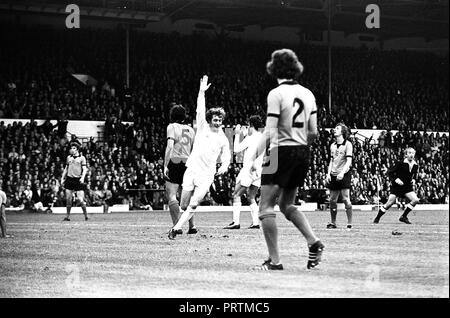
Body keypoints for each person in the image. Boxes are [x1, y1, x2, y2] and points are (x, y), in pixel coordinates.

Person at [247, 48, 324, 270]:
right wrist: (299, 146)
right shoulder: (309, 94)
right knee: (286, 204)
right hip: (302, 152)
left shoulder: (276, 94)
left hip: (280, 152)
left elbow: (270, 131)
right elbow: (314, 133)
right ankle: (314, 241)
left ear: (274, 68)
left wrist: (252, 157)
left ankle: (275, 261)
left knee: (265, 207)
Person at [168, 75, 231, 239]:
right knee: (184, 204)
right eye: (215, 119)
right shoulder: (203, 128)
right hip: (192, 170)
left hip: (207, 175)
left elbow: (227, 155)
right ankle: (183, 223)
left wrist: (224, 166)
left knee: (194, 203)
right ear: (210, 120)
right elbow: (200, 109)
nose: (217, 122)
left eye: (220, 120)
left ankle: (176, 229)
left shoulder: (223, 138)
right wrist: (202, 92)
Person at [224, 115, 264, 230]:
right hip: (259, 171)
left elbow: (236, 149)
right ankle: (255, 223)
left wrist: (237, 134)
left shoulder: (250, 138)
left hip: (248, 169)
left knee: (236, 195)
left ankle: (236, 222)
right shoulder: (261, 137)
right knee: (251, 197)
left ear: (251, 125)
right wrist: (246, 134)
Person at [164, 103, 196, 235]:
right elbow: (194, 150)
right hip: (188, 162)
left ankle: (177, 226)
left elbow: (170, 146)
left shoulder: (171, 127)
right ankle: (192, 226)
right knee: (187, 196)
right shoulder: (191, 130)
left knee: (172, 195)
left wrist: (165, 165)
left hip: (176, 161)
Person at [373, 147, 420, 224]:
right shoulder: (400, 163)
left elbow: (413, 175)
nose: (411, 155)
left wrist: (414, 180)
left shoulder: (415, 165)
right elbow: (390, 172)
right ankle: (377, 218)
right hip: (397, 187)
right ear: (406, 154)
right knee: (389, 204)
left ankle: (403, 217)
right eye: (409, 153)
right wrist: (396, 179)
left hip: (407, 187)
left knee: (416, 200)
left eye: (413, 153)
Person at [325, 123, 353, 229]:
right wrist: (328, 174)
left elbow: (349, 161)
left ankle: (349, 223)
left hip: (344, 174)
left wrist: (342, 172)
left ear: (342, 132)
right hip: (333, 174)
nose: (334, 130)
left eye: (337, 128)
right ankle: (333, 223)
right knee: (332, 200)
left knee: (346, 199)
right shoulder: (332, 145)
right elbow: (331, 161)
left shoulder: (348, 144)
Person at [61, 139, 89, 221]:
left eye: (73, 148)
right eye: (71, 148)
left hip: (78, 180)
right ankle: (67, 216)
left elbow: (85, 169)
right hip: (69, 180)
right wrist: (62, 178)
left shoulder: (82, 158)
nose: (71, 150)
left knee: (80, 200)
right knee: (68, 200)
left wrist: (83, 177)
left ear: (77, 149)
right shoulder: (68, 158)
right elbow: (66, 168)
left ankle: (86, 215)